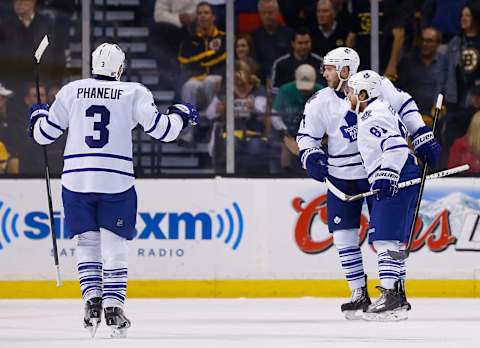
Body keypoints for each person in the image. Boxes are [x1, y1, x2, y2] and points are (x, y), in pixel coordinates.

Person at [28, 43, 199, 338]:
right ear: (120, 68)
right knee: (114, 244)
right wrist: (182, 114)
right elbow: (164, 131)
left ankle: (92, 302)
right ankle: (113, 307)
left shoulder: (71, 90)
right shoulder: (134, 92)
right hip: (116, 180)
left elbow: (44, 136)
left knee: (87, 243)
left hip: (76, 180)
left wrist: (37, 116)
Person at [296, 47, 440, 320]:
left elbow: (404, 105)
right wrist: (311, 156)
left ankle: (394, 292)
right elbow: (306, 136)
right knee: (344, 237)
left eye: (329, 67)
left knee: (388, 235)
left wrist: (420, 133)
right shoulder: (319, 102)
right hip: (343, 179)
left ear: (345, 71)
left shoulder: (375, 86)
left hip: (379, 172)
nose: (323, 72)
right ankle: (360, 293)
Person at [346, 70, 420, 321]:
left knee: (385, 239)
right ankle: (398, 297)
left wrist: (387, 175)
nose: (348, 95)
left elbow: (397, 147)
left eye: (351, 91)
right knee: (395, 242)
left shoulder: (371, 115)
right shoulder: (383, 109)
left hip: (396, 177)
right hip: (404, 174)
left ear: (364, 94)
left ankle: (389, 295)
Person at [271, 64, 323, 173]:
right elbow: (275, 115)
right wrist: (285, 133)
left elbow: (327, 118)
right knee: (284, 150)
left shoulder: (321, 92)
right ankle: (284, 172)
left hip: (313, 134)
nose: (304, 91)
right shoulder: (285, 91)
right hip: (288, 131)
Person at [270, 27, 323, 94]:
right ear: (293, 44)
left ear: (311, 43)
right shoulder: (280, 64)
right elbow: (275, 90)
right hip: (288, 101)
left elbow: (325, 87)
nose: (304, 46)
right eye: (300, 43)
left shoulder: (320, 63)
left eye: (306, 42)